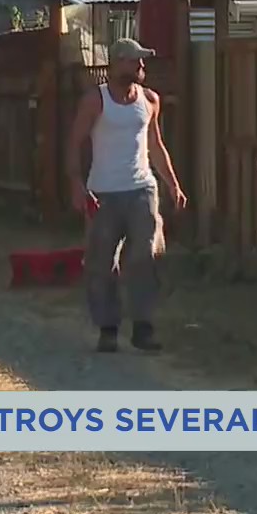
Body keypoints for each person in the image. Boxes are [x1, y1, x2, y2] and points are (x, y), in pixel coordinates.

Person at [66, 38, 188, 353]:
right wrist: (77, 184)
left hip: (141, 189)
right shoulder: (96, 100)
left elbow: (155, 145)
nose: (141, 66)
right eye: (135, 61)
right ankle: (108, 328)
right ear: (118, 63)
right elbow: (75, 141)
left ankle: (143, 327)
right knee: (102, 261)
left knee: (144, 256)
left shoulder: (149, 100)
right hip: (103, 193)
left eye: (142, 61)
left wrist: (172, 184)